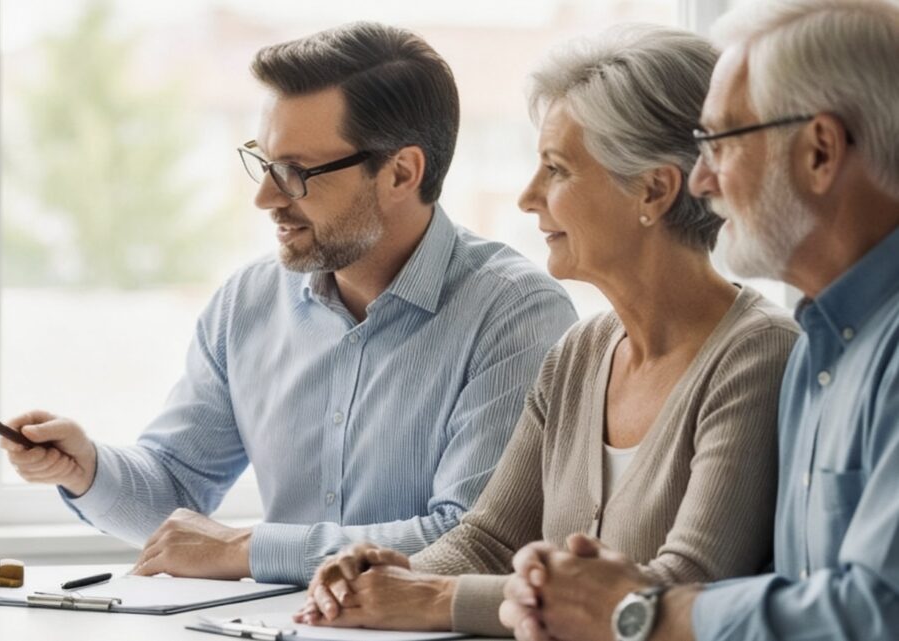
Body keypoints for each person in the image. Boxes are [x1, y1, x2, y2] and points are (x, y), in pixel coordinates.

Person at [2, 22, 577, 586]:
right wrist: (89, 471)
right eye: (265, 162)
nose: (264, 197)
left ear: (401, 172)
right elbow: (177, 499)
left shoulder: (516, 314)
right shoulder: (248, 302)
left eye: (296, 172)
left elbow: (473, 541)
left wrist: (251, 548)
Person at [296, 24, 799, 637]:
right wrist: (386, 579)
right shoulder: (580, 353)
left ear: (654, 189)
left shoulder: (758, 354)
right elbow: (487, 539)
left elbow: (675, 588)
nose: (528, 198)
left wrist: (433, 597)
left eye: (556, 170)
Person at [499, 1, 899, 640]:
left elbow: (879, 610)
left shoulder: (790, 348)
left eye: (723, 143)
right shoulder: (822, 352)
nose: (704, 180)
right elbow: (795, 596)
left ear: (820, 151)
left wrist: (636, 611)